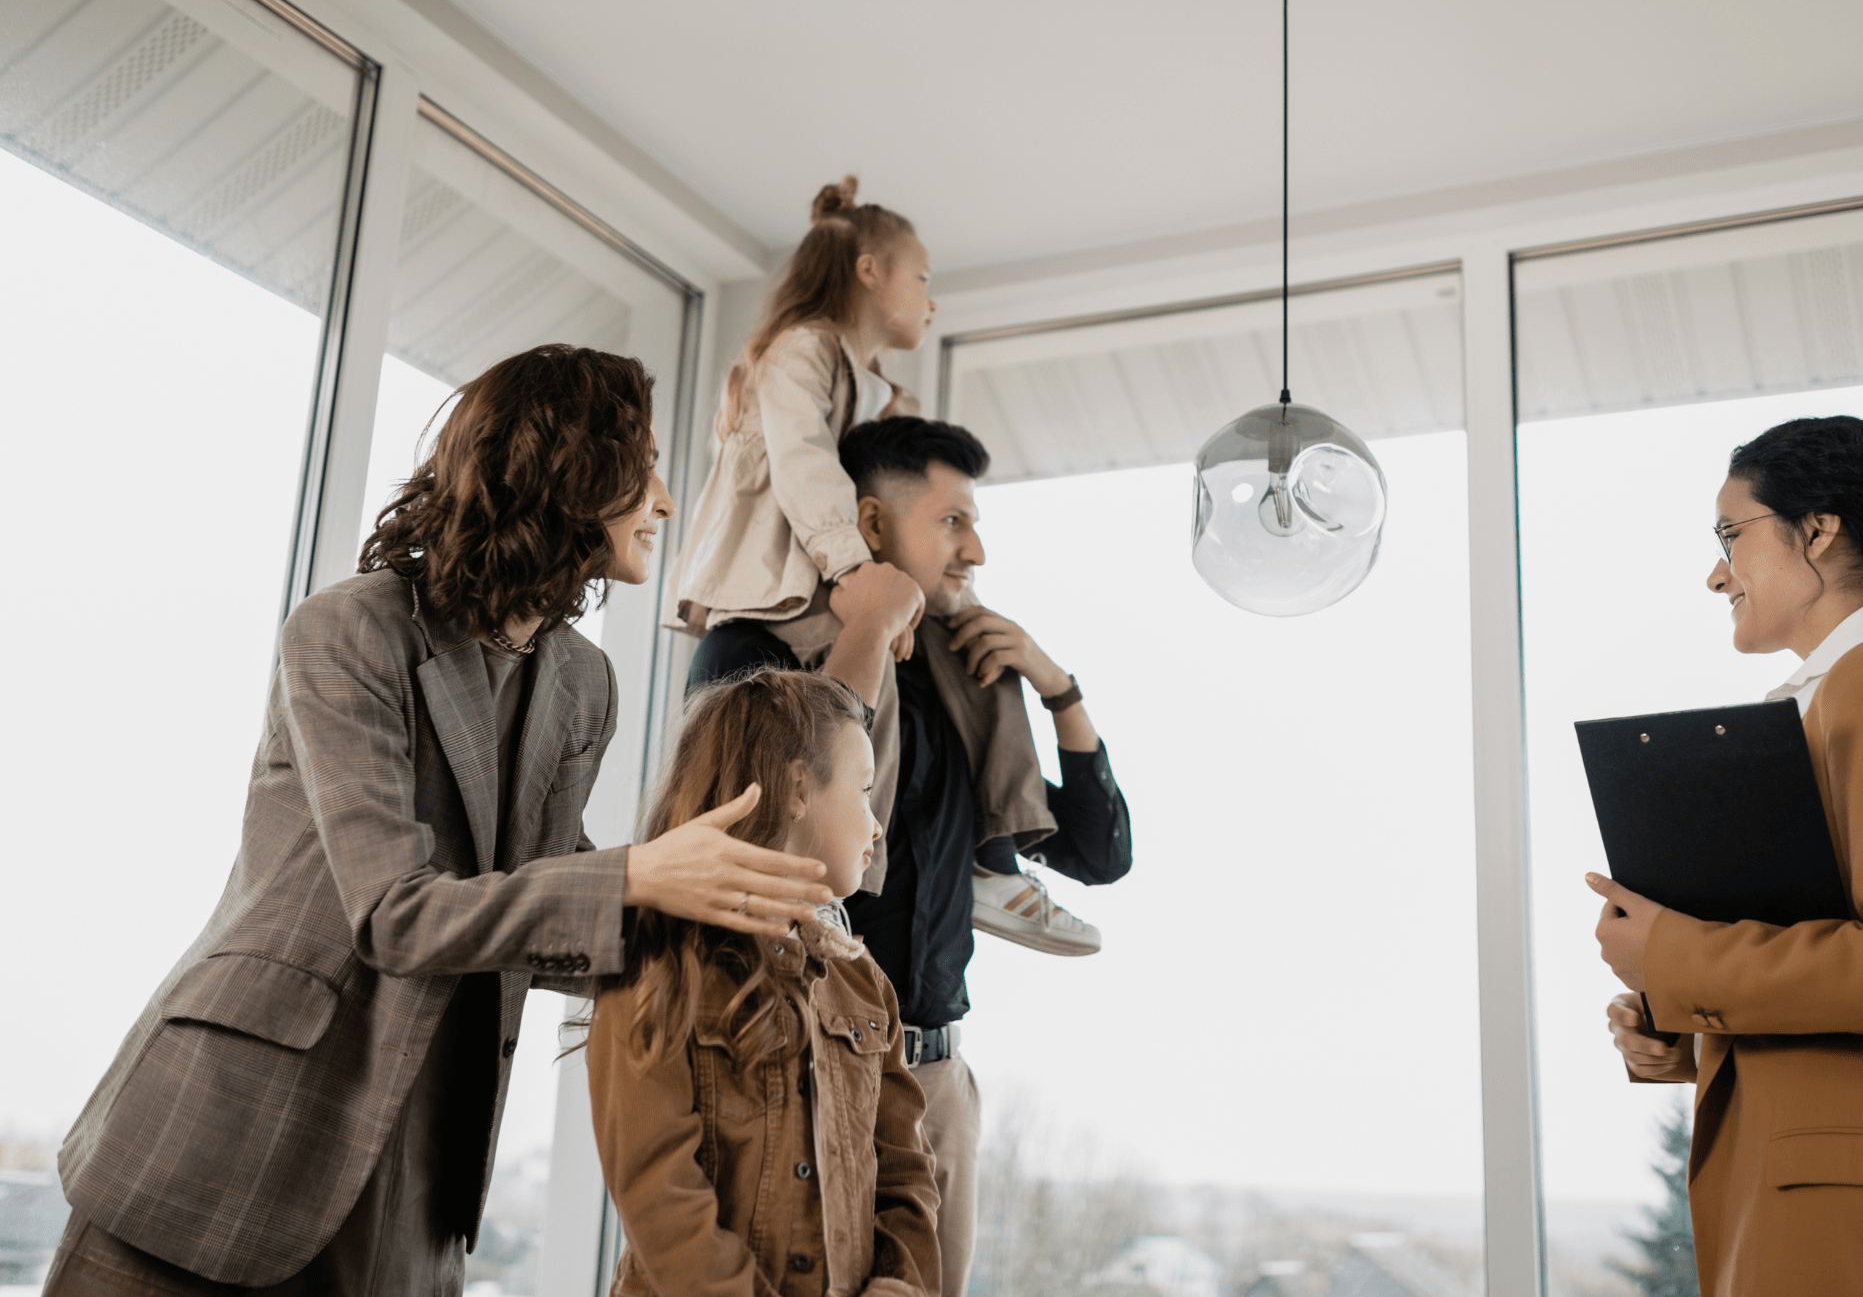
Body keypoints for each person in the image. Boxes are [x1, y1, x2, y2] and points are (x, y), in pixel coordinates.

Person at [45, 346, 835, 1297]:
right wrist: (634, 877)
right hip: (228, 1130)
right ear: (570, 470)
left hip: (423, 1162)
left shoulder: (584, 682)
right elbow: (394, 913)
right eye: (647, 465)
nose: (666, 500)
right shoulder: (348, 631)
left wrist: (722, 908)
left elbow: (537, 914)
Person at [687, 415, 1134, 1297]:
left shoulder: (966, 677)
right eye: (953, 520)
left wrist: (1057, 687)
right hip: (799, 1071)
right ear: (874, 525)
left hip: (935, 1077)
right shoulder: (759, 651)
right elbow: (763, 835)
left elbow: (1099, 853)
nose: (977, 549)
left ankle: (992, 879)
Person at [1592, 414, 1863, 1295]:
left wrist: (1673, 955)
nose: (1715, 573)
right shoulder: (1847, 694)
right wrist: (1684, 1028)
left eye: (1730, 536)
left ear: (1817, 530)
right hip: (1841, 1201)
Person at [660, 177, 1100, 951]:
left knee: (971, 642)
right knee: (866, 711)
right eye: (923, 278)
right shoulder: (801, 352)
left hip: (837, 580)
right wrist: (857, 572)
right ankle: (857, 879)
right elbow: (804, 467)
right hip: (784, 588)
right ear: (869, 271)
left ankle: (993, 864)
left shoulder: (877, 389)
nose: (933, 301)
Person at [586, 669, 940, 1297]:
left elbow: (906, 1174)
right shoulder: (658, 965)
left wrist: (900, 1285)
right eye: (863, 789)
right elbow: (660, 1194)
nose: (877, 824)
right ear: (799, 787)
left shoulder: (864, 983)